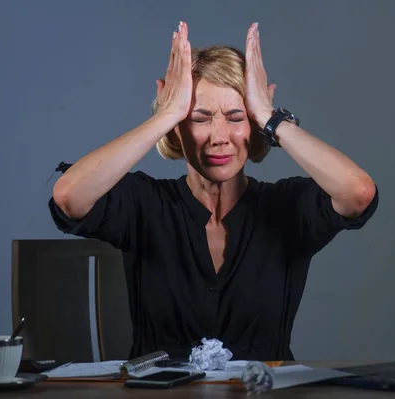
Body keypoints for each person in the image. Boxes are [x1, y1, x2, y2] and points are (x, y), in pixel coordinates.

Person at [49, 21, 378, 361]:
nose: (218, 137)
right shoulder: (143, 204)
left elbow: (357, 192)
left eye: (236, 117)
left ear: (254, 127)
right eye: (200, 118)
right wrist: (167, 114)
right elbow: (69, 196)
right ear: (178, 130)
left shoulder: (286, 207)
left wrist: (271, 118)